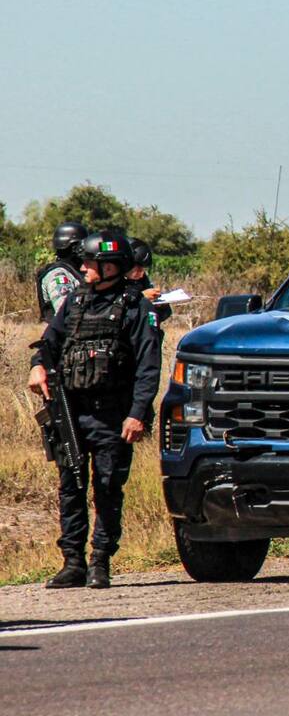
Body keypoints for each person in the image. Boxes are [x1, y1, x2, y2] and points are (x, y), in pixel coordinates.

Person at [28, 230, 163, 589]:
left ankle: (100, 561)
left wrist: (137, 413)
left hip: (113, 415)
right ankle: (72, 562)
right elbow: (48, 344)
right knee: (70, 485)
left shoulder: (137, 308)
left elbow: (148, 367)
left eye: (89, 262)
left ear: (109, 267)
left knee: (107, 488)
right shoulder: (75, 302)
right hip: (72, 412)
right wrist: (38, 365)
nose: (83, 267)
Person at [35, 222, 88, 323]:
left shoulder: (74, 272)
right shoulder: (58, 275)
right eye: (83, 247)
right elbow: (66, 313)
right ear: (74, 248)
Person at [127, 237, 172, 325]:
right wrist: (142, 298)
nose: (141, 273)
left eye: (143, 269)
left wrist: (160, 306)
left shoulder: (142, 280)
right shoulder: (109, 284)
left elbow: (162, 316)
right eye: (138, 267)